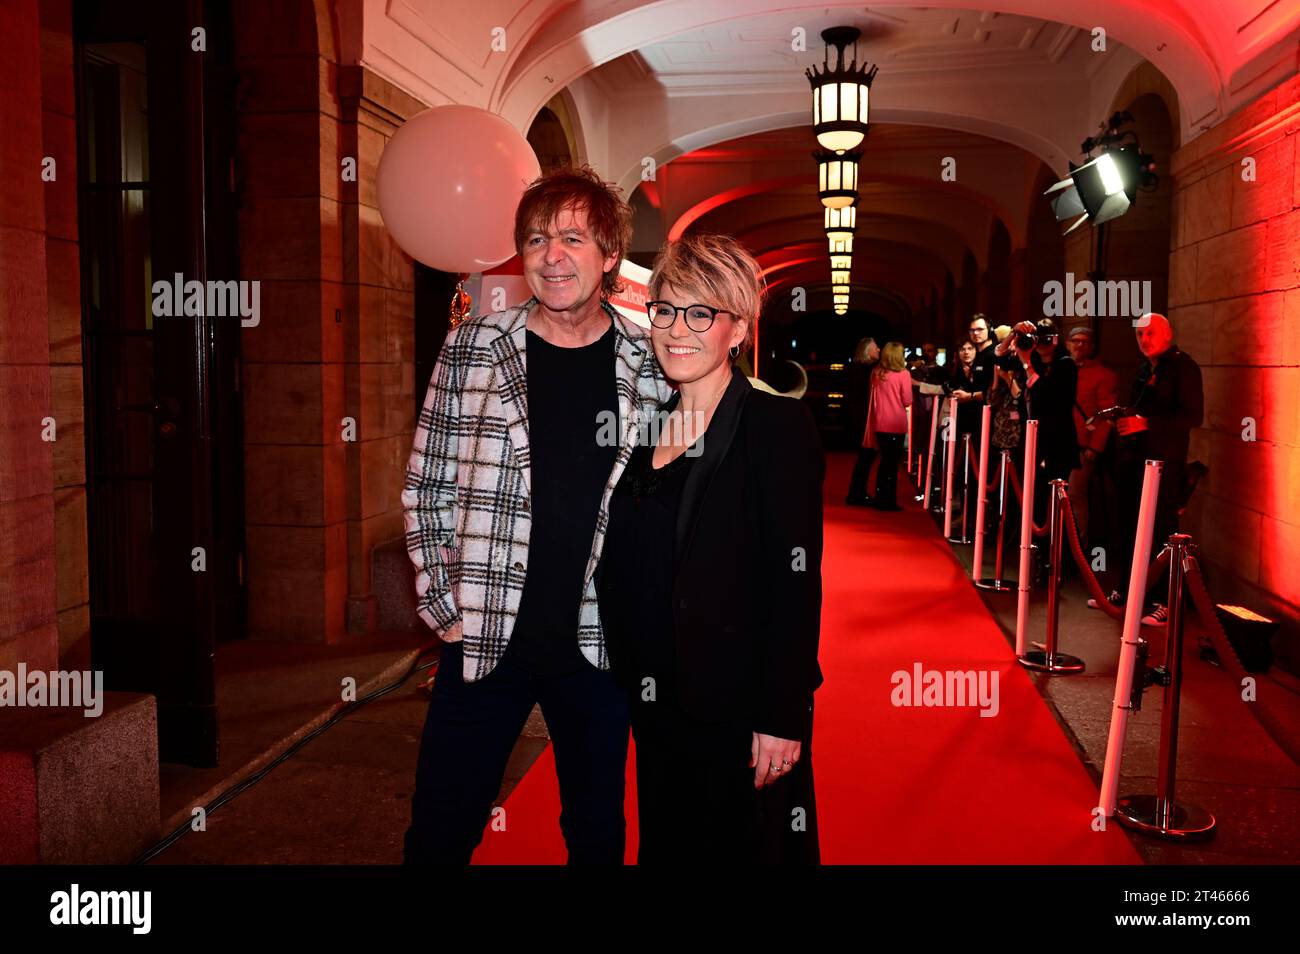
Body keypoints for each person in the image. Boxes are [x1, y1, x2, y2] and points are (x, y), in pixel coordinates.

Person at [400, 166, 673, 864]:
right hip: (485, 637)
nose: (551, 255)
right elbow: (427, 480)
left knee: (597, 835)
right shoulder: (476, 346)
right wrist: (442, 603)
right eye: (536, 238)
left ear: (609, 254)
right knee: (439, 827)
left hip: (598, 645)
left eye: (573, 238)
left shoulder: (649, 363)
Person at [595, 232, 824, 865]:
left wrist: (782, 713)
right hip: (654, 698)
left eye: (701, 313)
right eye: (665, 310)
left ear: (738, 329)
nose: (677, 329)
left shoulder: (774, 427)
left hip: (735, 705)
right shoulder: (646, 425)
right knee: (670, 848)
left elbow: (795, 583)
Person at [1092, 313, 1204, 626]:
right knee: (1129, 526)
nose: (1144, 340)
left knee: (1161, 530)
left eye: (1150, 333)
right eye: (1139, 334)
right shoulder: (1145, 368)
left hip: (1165, 465)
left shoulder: (1184, 367)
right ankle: (1130, 591)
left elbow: (1193, 416)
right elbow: (1139, 407)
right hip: (1134, 461)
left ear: (1167, 334)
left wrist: (1146, 423)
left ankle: (1164, 602)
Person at [995, 317, 1078, 519]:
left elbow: (1049, 394)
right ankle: (1031, 541)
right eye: (1037, 339)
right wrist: (1014, 333)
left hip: (1057, 442)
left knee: (1050, 499)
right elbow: (998, 355)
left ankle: (1051, 544)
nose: (1041, 343)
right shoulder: (1032, 359)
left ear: (1056, 340)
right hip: (1032, 438)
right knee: (1032, 495)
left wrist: (1027, 364)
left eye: (1046, 338)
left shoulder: (1065, 365)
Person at [1065, 326, 1119, 548]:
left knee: (1075, 495)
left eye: (1085, 341)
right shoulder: (1062, 369)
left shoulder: (1104, 376)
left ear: (1092, 346)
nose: (1079, 345)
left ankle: (1079, 545)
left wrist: (1095, 448)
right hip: (1062, 442)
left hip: (1082, 445)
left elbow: (1108, 416)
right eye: (1075, 340)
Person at [863, 341, 913, 511]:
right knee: (892, 465)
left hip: (879, 422)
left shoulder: (876, 373)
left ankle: (880, 496)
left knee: (884, 462)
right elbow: (908, 400)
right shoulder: (903, 374)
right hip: (896, 423)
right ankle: (888, 500)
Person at [845, 337, 880, 505]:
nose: (879, 350)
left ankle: (858, 492)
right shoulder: (863, 370)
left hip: (863, 418)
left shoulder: (863, 369)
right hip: (863, 420)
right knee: (866, 457)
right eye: (876, 348)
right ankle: (856, 494)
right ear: (867, 351)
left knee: (866, 457)